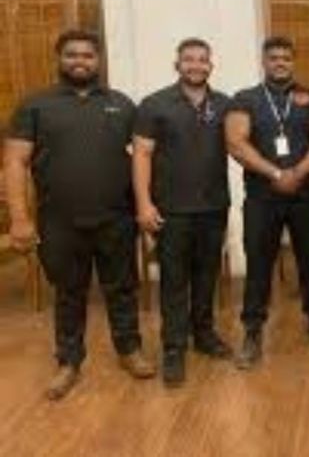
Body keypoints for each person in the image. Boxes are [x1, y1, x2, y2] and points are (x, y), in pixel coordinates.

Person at [4, 29, 155, 401]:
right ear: (59, 59)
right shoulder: (35, 105)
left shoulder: (122, 104)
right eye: (72, 54)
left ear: (98, 60)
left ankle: (129, 350)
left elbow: (143, 158)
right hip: (59, 221)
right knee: (69, 293)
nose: (80, 61)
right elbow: (15, 162)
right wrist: (20, 219)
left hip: (116, 217)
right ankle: (68, 362)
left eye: (87, 55)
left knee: (122, 289)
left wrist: (145, 207)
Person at [226, 36, 309, 369]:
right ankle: (252, 332)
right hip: (262, 196)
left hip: (307, 194)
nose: (280, 63)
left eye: (286, 57)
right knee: (259, 263)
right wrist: (276, 173)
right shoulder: (245, 99)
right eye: (273, 57)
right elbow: (236, 143)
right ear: (264, 61)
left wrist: (297, 173)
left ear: (293, 61)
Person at [133, 38, 233, 387]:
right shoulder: (154, 104)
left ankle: (203, 334)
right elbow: (142, 155)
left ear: (211, 65)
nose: (196, 65)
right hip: (171, 210)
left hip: (214, 207)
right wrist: (143, 204)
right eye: (189, 59)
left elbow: (241, 145)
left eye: (202, 60)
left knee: (207, 276)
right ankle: (174, 348)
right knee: (174, 281)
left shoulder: (225, 105)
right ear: (177, 65)